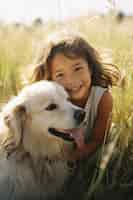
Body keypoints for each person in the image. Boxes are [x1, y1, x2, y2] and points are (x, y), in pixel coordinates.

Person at [24, 30, 121, 199]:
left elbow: (99, 139)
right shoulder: (54, 101)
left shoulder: (103, 98)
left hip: (93, 147)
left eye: (78, 68)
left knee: (110, 157)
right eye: (60, 74)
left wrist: (72, 158)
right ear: (50, 78)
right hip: (61, 151)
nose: (71, 80)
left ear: (90, 67)